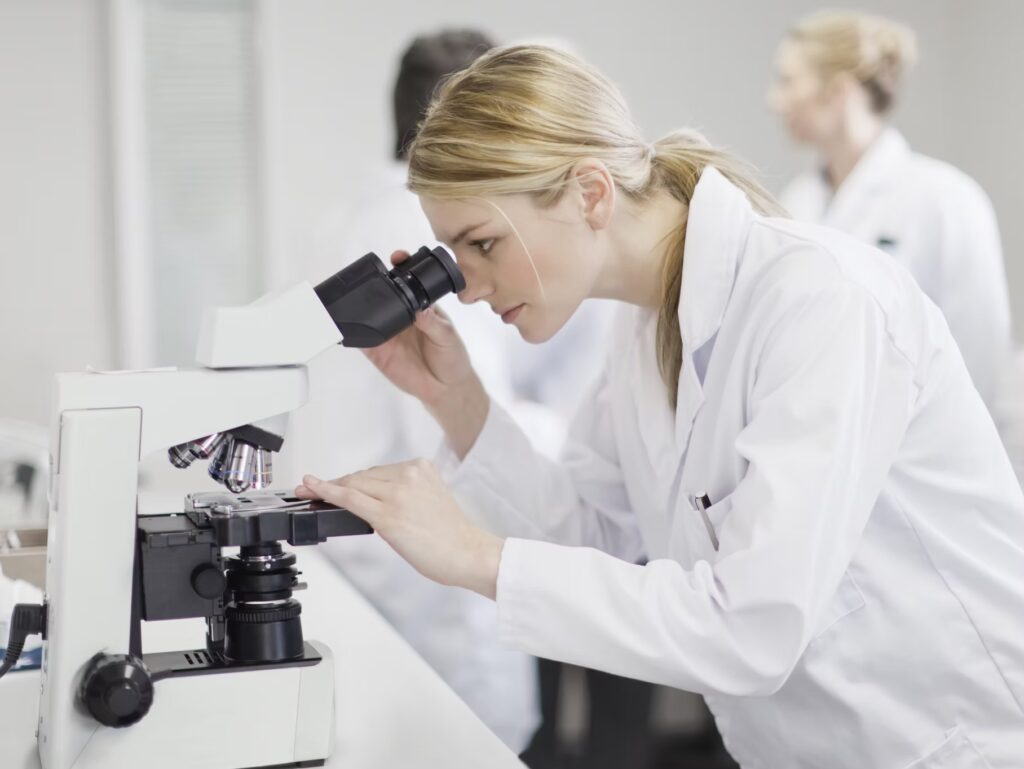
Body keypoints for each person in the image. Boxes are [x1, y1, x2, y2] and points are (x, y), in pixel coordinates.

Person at [295, 45, 1024, 768]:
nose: (471, 288)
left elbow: (750, 627)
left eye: (481, 243)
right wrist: (454, 399)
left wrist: (473, 556)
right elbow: (594, 532)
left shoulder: (821, 302)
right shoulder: (644, 328)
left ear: (590, 192)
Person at [769, 10, 1013, 414]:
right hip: (822, 444)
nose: (775, 101)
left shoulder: (945, 198)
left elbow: (979, 356)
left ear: (839, 91)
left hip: (922, 454)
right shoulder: (795, 203)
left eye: (788, 81)